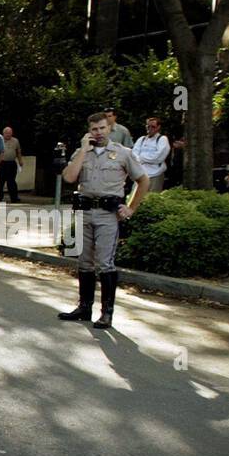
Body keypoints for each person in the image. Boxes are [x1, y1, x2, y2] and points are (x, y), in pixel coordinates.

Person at [58, 112, 149, 329]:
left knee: (105, 263)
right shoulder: (83, 153)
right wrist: (82, 149)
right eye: (94, 129)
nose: (98, 133)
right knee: (84, 262)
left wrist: (131, 208)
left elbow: (143, 180)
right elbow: (69, 177)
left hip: (108, 215)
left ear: (110, 128)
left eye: (102, 128)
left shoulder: (123, 154)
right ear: (88, 131)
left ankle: (106, 313)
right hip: (85, 212)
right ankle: (84, 307)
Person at [132, 117, 171, 192]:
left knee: (153, 198)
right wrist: (145, 159)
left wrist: (141, 158)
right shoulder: (141, 139)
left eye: (153, 127)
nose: (150, 128)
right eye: (148, 126)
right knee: (135, 198)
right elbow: (133, 155)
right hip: (141, 175)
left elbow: (158, 157)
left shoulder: (162, 139)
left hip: (155, 175)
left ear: (158, 127)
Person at [0, 126, 24, 203]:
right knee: (0, 181)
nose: (8, 135)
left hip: (11, 163)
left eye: (10, 133)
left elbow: (18, 151)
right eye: (7, 133)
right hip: (2, 163)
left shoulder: (15, 141)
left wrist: (20, 160)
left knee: (11, 181)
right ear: (3, 133)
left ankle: (14, 198)